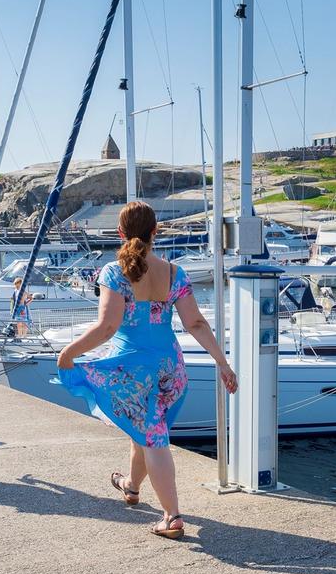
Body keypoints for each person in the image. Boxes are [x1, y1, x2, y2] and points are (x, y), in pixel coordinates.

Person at [56, 201, 238, 539]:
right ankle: (131, 487)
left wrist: (69, 352)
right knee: (145, 431)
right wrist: (222, 362)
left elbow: (108, 327)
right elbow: (195, 323)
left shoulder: (113, 273)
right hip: (171, 369)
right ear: (156, 232)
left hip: (132, 371)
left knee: (153, 437)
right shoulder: (175, 273)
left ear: (120, 233)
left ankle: (171, 517)